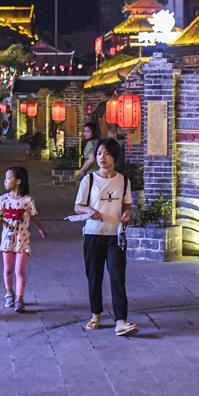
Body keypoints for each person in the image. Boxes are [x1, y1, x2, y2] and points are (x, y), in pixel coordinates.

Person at [73, 138, 139, 336]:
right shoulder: (89, 180)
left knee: (118, 277)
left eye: (107, 153)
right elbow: (77, 206)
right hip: (93, 234)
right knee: (94, 276)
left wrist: (127, 214)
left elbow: (127, 205)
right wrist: (89, 210)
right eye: (99, 153)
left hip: (115, 236)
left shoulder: (124, 180)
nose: (102, 157)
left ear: (114, 157)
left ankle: (121, 321)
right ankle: (96, 315)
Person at [0, 166, 46, 313]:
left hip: (22, 241)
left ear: (18, 181)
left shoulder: (28, 200)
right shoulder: (3, 199)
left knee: (19, 271)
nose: (5, 181)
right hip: (7, 241)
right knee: (8, 269)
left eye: (8, 178)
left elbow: (34, 216)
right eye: (5, 178)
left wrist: (41, 228)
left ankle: (19, 298)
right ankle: (9, 293)